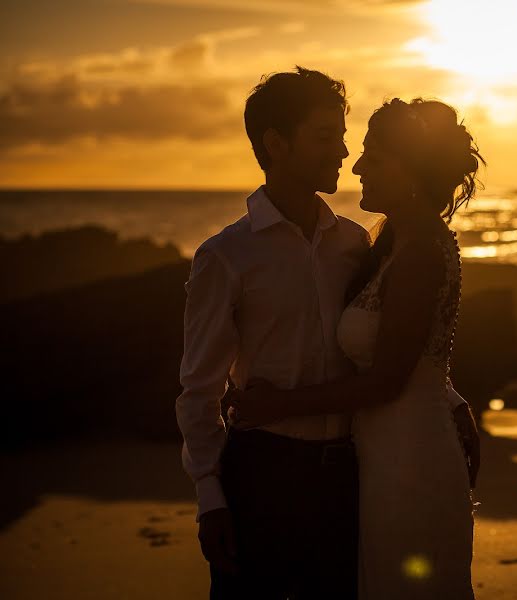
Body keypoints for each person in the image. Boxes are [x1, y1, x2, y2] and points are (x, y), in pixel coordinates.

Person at [175, 68, 479, 599]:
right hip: (262, 473)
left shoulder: (355, 244)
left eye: (345, 137)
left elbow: (394, 343)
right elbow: (199, 389)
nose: (343, 153)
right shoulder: (226, 256)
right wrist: (210, 497)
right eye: (326, 137)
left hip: (349, 475)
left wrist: (447, 396)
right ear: (275, 144)